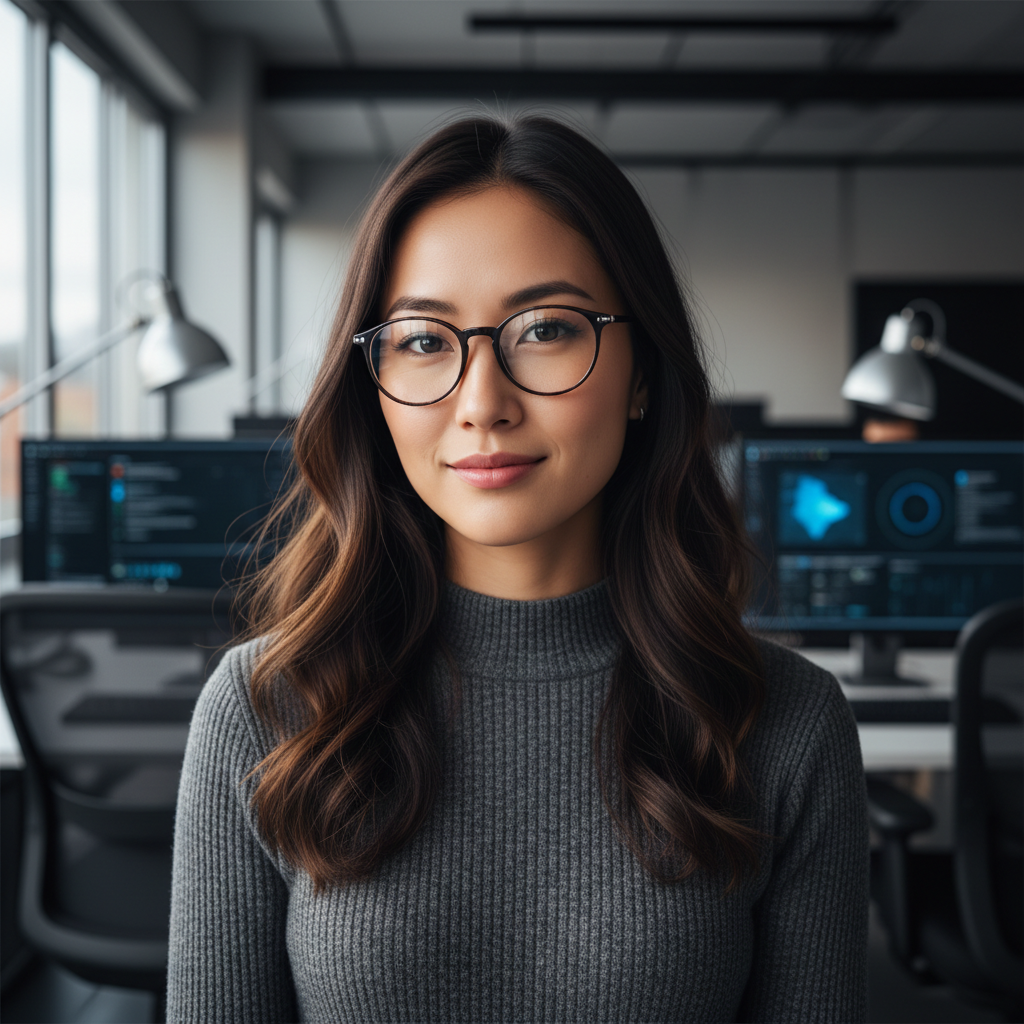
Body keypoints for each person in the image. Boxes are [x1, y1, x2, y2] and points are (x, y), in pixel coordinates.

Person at [167, 115, 869, 1023]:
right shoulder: (262, 712)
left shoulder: (789, 725)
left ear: (643, 370)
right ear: (373, 386)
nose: (482, 403)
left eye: (545, 329)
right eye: (423, 340)